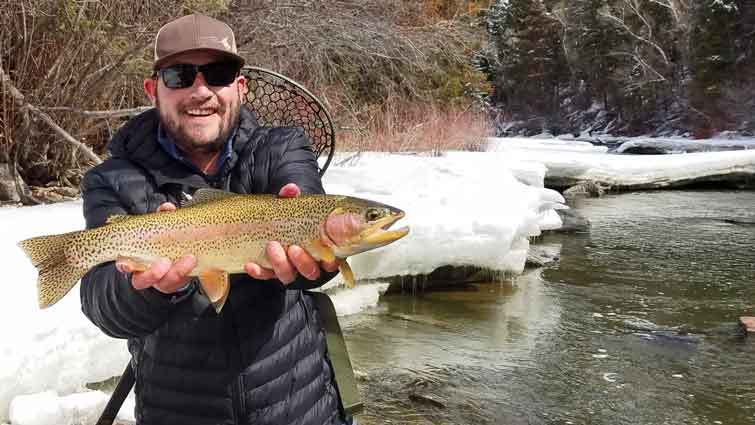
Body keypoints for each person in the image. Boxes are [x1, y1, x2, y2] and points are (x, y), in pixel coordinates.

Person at [80, 13, 352, 425]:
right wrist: (145, 289)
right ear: (154, 89)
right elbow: (102, 301)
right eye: (180, 75)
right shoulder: (112, 180)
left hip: (298, 406)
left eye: (219, 73)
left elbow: (309, 223)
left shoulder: (283, 148)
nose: (201, 91)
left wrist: (309, 265)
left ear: (240, 86)